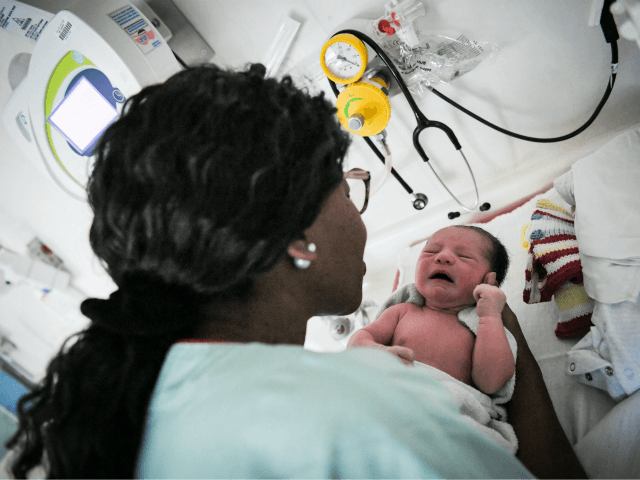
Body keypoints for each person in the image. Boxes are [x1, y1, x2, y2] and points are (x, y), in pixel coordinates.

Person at [4, 64, 588, 480]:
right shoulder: (364, 406)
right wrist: (501, 322)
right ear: (298, 236)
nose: (357, 219)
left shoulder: (132, 404)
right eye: (347, 187)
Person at [348, 225, 514, 396]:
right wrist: (379, 353)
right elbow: (357, 341)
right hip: (392, 394)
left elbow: (491, 383)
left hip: (447, 409)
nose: (442, 257)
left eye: (464, 256)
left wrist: (490, 316)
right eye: (431, 251)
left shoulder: (485, 329)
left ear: (488, 283)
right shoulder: (402, 312)